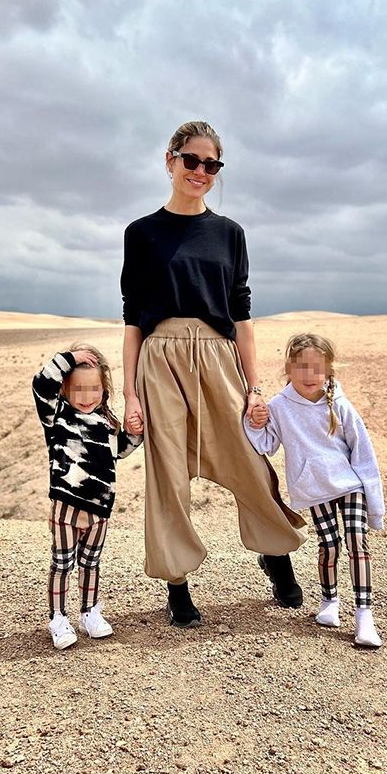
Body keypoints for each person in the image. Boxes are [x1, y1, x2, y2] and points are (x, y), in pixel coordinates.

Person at [120, 120, 306, 628]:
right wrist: (130, 393)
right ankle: (177, 583)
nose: (200, 171)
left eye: (211, 164)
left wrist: (254, 388)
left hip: (220, 356)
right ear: (170, 160)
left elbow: (242, 317)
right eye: (191, 161)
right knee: (168, 474)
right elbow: (132, 318)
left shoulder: (230, 234)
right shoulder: (140, 233)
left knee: (249, 460)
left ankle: (275, 555)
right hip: (159, 359)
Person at [244, 333, 385, 648]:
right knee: (329, 545)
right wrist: (255, 422)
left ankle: (365, 617)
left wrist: (375, 504)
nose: (311, 376)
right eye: (302, 367)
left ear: (329, 370)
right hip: (313, 488)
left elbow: (363, 453)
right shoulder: (279, 406)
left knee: (357, 544)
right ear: (289, 369)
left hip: (350, 485)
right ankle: (329, 603)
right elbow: (266, 444)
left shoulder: (340, 404)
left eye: (318, 368)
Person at [32, 343, 142, 649]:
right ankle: (57, 618)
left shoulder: (106, 421)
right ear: (65, 389)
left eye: (93, 389)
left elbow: (119, 451)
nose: (86, 397)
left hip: (100, 510)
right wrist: (70, 359)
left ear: (104, 389)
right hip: (66, 509)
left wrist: (135, 432)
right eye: (77, 389)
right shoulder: (56, 417)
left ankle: (90, 612)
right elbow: (41, 383)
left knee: (91, 563)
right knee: (62, 564)